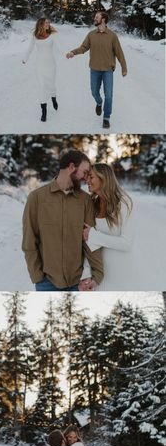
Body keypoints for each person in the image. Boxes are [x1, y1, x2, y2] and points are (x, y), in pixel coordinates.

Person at [22, 149, 104, 291]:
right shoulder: (36, 198)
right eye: (84, 172)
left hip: (77, 282)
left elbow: (91, 239)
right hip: (45, 283)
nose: (86, 178)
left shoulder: (85, 200)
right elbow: (29, 241)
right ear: (71, 167)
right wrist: (37, 276)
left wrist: (97, 275)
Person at [66, 11, 127, 129]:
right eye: (95, 17)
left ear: (103, 19)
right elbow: (83, 47)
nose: (94, 18)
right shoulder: (91, 34)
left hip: (108, 70)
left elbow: (119, 52)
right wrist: (73, 52)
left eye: (97, 17)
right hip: (94, 69)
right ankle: (99, 102)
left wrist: (124, 68)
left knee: (108, 95)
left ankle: (106, 118)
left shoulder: (112, 36)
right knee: (94, 92)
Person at [82, 163, 134, 290]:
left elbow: (126, 243)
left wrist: (94, 235)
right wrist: (87, 275)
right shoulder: (92, 205)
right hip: (100, 272)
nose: (87, 180)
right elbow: (88, 244)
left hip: (122, 270)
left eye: (91, 177)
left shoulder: (123, 203)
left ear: (103, 178)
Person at [22, 18, 59, 122]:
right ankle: (44, 112)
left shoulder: (53, 35)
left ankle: (54, 98)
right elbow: (30, 48)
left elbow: (60, 47)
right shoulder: (35, 36)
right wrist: (25, 58)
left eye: (48, 22)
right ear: (41, 24)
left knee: (51, 85)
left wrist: (68, 54)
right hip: (39, 65)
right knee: (42, 86)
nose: (48, 24)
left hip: (51, 64)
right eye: (46, 22)